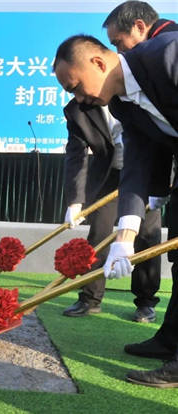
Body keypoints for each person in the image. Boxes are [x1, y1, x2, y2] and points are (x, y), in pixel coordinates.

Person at [53, 32, 178, 387]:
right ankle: (169, 341)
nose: (79, 98)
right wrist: (125, 237)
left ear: (98, 62)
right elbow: (137, 166)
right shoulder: (123, 105)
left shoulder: (169, 54)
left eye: (76, 87)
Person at [61, 99, 161, 322]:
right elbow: (76, 156)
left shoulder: (140, 94)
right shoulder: (78, 108)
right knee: (99, 233)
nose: (77, 91)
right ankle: (90, 299)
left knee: (147, 235)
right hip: (110, 175)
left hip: (146, 174)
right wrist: (75, 202)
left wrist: (163, 183)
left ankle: (145, 303)